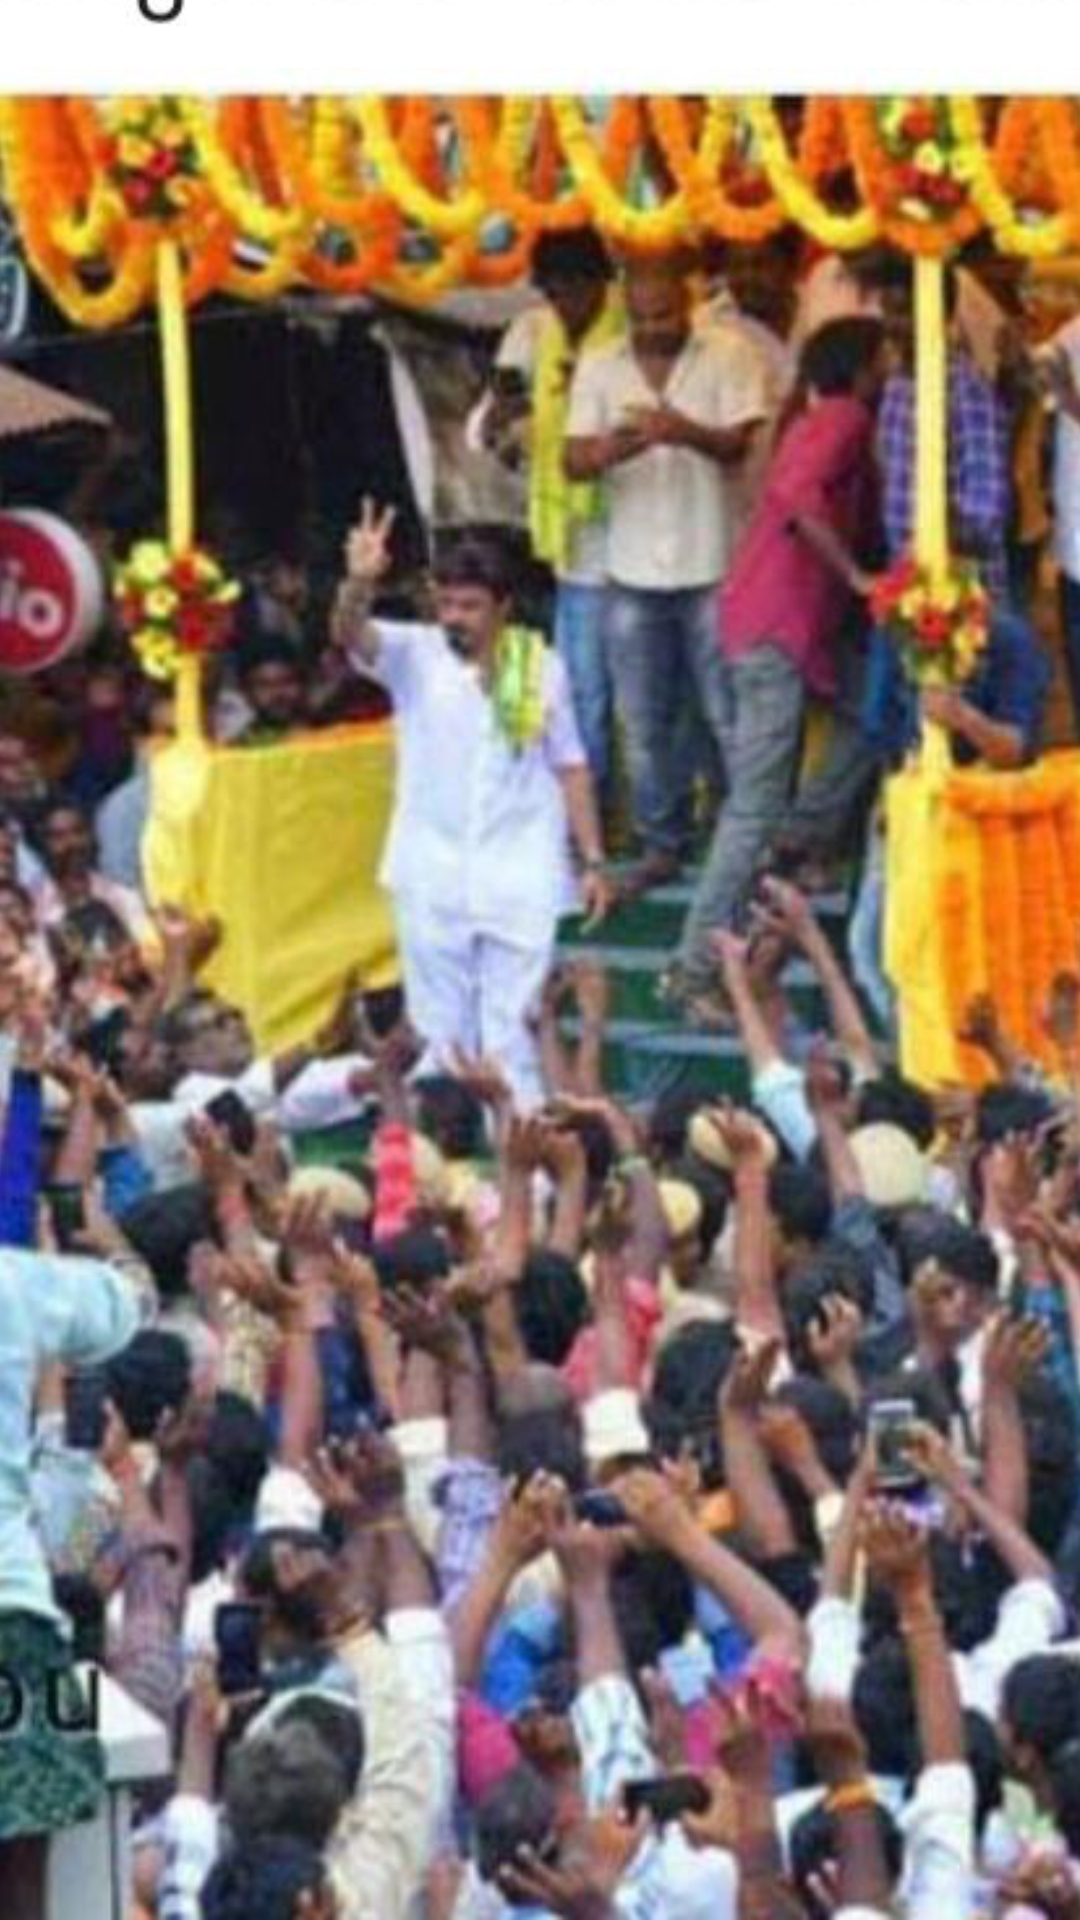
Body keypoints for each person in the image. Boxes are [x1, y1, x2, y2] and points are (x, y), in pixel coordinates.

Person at [329, 505, 611, 1110]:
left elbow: (570, 765)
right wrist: (359, 582)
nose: (454, 618)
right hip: (430, 871)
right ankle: (452, 1175)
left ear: (503, 607)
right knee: (438, 1031)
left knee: (515, 1030)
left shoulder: (537, 667)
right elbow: (351, 634)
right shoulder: (416, 655)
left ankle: (528, 1170)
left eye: (469, 606)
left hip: (519, 872)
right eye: (447, 604)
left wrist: (592, 861)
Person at [672, 317, 887, 1017]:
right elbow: (798, 498)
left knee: (877, 711)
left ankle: (804, 831)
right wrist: (854, 575)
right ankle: (693, 967)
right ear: (860, 370)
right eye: (885, 358)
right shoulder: (847, 416)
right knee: (753, 803)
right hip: (775, 627)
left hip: (774, 623)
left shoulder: (816, 415)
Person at [565, 251, 771, 896]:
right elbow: (573, 460)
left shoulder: (730, 352)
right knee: (644, 721)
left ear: (688, 302)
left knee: (726, 714)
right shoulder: (600, 366)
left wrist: (679, 431)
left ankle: (748, 844)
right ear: (624, 308)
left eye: (664, 315)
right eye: (641, 316)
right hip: (629, 574)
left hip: (713, 566)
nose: (653, 327)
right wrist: (620, 446)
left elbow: (740, 445)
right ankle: (663, 846)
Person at [469, 228, 621, 794]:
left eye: (577, 289)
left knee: (598, 688)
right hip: (548, 539)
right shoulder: (531, 331)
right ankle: (536, 800)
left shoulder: (632, 332)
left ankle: (595, 809)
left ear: (604, 283)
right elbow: (481, 434)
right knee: (546, 680)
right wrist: (504, 411)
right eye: (554, 291)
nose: (566, 303)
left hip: (626, 539)